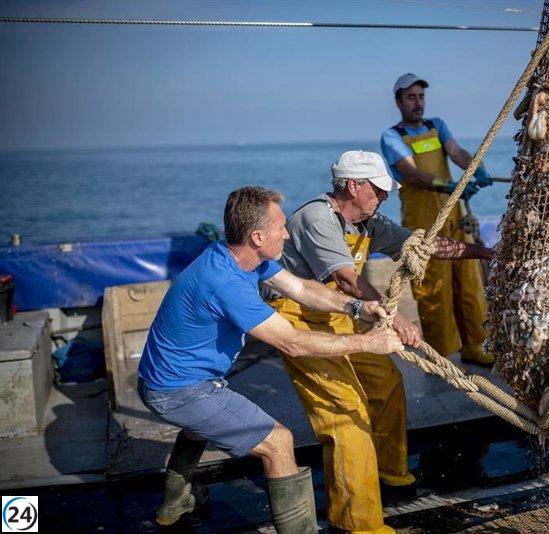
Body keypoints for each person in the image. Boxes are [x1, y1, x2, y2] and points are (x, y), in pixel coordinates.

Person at [137, 186, 403, 533]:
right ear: (258, 236)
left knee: (199, 425)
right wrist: (368, 342)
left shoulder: (240, 256)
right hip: (179, 390)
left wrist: (356, 306)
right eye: (280, 226)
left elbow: (302, 289)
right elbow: (292, 343)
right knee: (278, 443)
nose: (288, 232)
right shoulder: (226, 283)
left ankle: (175, 502)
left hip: (169, 381)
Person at [268, 150, 493, 534]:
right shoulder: (317, 218)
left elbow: (423, 247)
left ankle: (392, 475)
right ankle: (357, 523)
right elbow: (347, 281)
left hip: (343, 313)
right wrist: (399, 319)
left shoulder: (369, 220)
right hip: (297, 318)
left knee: (386, 383)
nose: (384, 197)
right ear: (352, 186)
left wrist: (484, 251)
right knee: (345, 413)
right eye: (378, 189)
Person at [380, 73, 495, 366]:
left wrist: (475, 168)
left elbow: (455, 152)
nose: (417, 103)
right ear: (398, 102)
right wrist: (449, 185)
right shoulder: (392, 137)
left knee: (468, 283)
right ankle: (440, 354)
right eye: (410, 97)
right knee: (433, 288)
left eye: (420, 96)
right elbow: (411, 173)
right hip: (422, 222)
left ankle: (475, 345)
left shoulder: (437, 125)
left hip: (453, 214)